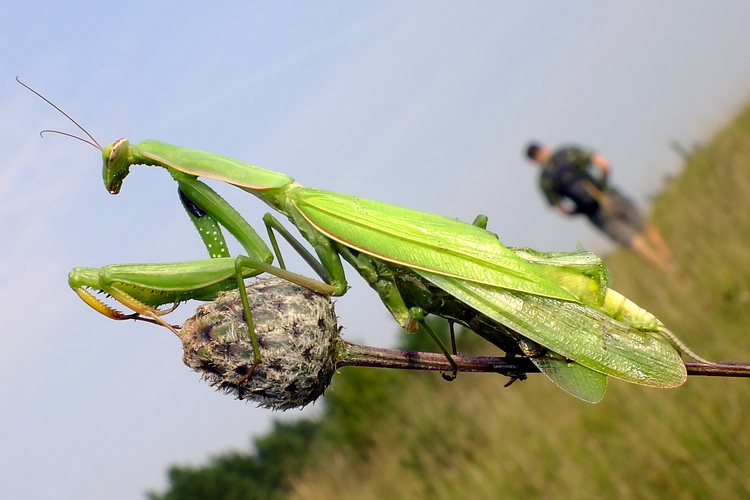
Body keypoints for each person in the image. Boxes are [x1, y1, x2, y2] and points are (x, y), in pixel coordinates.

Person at [524, 142, 675, 271]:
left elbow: (562, 211)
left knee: (634, 242)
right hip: (610, 194)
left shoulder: (545, 181)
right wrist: (602, 184)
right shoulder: (567, 153)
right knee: (644, 227)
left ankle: (666, 270)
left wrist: (580, 211)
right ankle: (670, 259)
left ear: (533, 161)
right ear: (544, 147)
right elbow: (604, 164)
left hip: (595, 213)